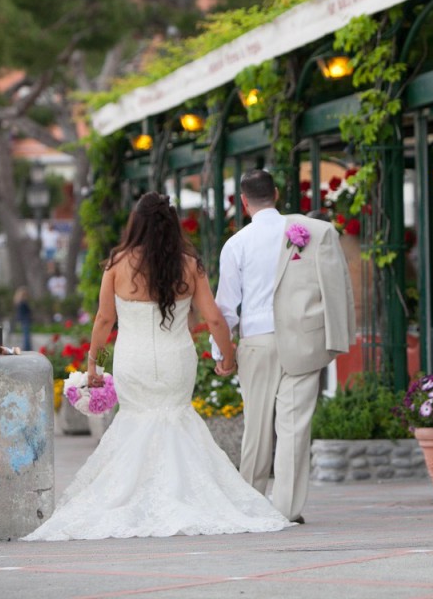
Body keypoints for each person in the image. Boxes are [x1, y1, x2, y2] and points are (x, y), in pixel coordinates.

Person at [23, 192, 293, 541]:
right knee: (176, 418)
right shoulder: (188, 265)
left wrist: (94, 367)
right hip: (176, 359)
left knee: (136, 421)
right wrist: (228, 356)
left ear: (136, 224)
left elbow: (104, 321)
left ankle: (133, 497)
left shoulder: (116, 265)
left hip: (132, 359)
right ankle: (182, 494)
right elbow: (213, 318)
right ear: (172, 226)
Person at [214, 169, 354, 523]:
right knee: (294, 427)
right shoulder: (309, 232)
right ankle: (286, 509)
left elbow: (226, 308)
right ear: (276, 193)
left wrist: (223, 355)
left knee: (257, 427)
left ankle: (251, 503)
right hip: (304, 339)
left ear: (244, 202)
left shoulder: (237, 244)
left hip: (256, 343)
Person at [13, 287, 33, 351]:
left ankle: (27, 347)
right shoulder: (23, 302)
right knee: (26, 335)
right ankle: (27, 348)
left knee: (25, 335)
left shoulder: (18, 302)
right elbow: (27, 311)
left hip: (22, 320)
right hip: (25, 320)